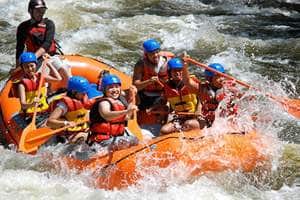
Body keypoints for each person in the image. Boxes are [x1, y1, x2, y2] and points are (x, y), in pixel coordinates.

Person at [132, 39, 174, 134]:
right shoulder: (140, 65)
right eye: (152, 53)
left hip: (163, 94)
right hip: (145, 95)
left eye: (157, 52)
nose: (155, 55)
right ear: (146, 55)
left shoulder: (168, 62)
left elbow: (177, 78)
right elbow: (135, 85)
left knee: (164, 106)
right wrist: (149, 81)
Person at [89, 74, 139, 151]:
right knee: (124, 141)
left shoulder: (119, 102)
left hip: (115, 138)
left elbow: (127, 117)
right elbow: (106, 115)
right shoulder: (104, 102)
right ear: (104, 90)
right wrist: (126, 111)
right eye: (110, 87)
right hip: (101, 142)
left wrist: (132, 97)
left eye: (117, 87)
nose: (115, 90)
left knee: (135, 140)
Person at [183, 61, 241, 126]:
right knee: (188, 124)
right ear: (209, 79)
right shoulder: (202, 89)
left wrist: (250, 94)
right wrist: (185, 66)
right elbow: (187, 81)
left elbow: (243, 96)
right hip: (208, 121)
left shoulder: (229, 88)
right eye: (217, 76)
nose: (221, 78)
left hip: (227, 120)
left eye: (222, 75)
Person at [47, 76, 102, 144]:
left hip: (81, 129)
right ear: (74, 92)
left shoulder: (82, 99)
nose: (85, 94)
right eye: (82, 92)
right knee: (83, 138)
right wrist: (65, 123)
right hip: (66, 135)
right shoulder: (63, 105)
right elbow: (49, 122)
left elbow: (84, 113)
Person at [160, 58, 205, 135]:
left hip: (195, 117)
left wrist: (198, 110)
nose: (178, 73)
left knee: (188, 124)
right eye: (174, 71)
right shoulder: (166, 87)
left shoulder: (191, 82)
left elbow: (202, 97)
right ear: (169, 73)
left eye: (180, 70)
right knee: (164, 130)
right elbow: (164, 103)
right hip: (180, 118)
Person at [16, 52, 62, 128]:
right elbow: (23, 105)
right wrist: (32, 104)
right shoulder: (22, 84)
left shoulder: (41, 77)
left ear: (36, 65)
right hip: (31, 115)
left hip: (44, 111)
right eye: (26, 67)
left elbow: (58, 79)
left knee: (59, 121)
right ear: (23, 68)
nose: (30, 69)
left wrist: (48, 64)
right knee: (47, 126)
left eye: (32, 66)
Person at [16, 0, 57, 66]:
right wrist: (17, 66)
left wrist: (33, 58)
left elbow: (47, 43)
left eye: (43, 10)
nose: (41, 13)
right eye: (38, 11)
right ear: (30, 11)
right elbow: (19, 48)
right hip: (32, 58)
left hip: (50, 56)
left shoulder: (49, 23)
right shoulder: (23, 27)